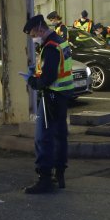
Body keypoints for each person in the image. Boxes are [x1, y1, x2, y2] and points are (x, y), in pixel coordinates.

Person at [20, 14, 74, 194]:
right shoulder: (60, 41)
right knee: (60, 135)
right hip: (62, 96)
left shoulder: (50, 47)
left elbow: (49, 77)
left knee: (42, 137)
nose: (33, 38)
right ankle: (60, 173)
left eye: (33, 33)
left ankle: (44, 179)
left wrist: (32, 81)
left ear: (40, 29)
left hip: (50, 97)